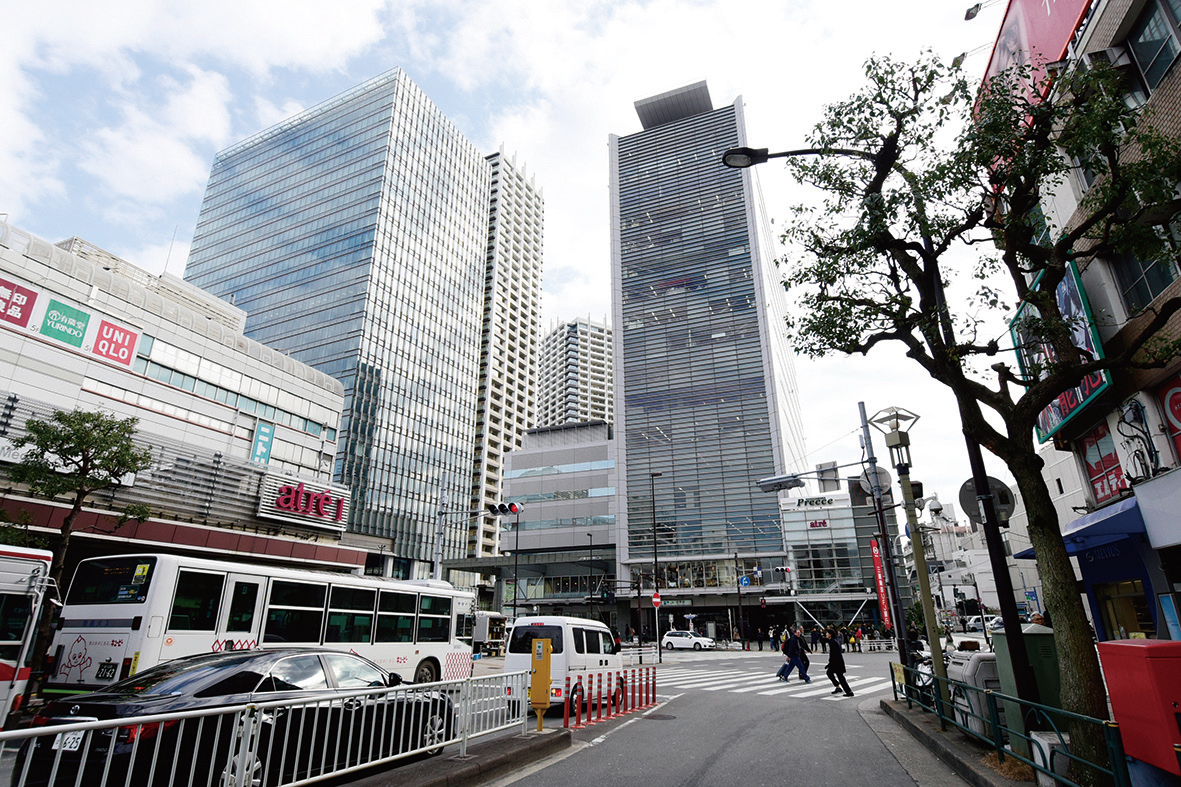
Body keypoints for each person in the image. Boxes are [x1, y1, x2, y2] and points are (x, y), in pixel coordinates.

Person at [825, 628, 853, 697]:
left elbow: (834, 654)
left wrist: (830, 663)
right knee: (835, 675)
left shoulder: (833, 642)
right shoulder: (833, 641)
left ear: (830, 634)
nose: (826, 634)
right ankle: (840, 688)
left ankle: (848, 691)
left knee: (839, 676)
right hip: (837, 662)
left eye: (827, 633)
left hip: (836, 663)